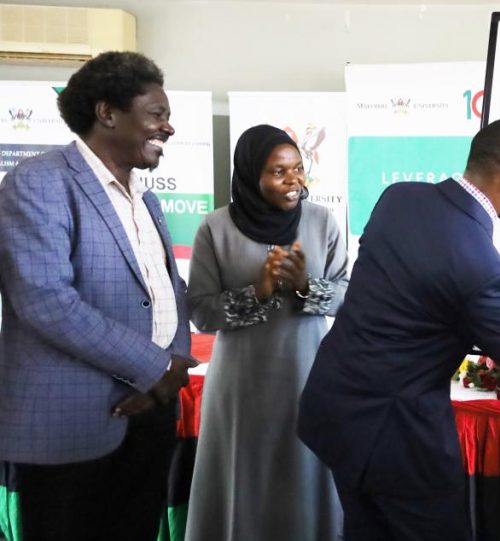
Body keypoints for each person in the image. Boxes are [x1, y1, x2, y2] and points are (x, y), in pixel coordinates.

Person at [298, 118, 500, 541]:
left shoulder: (399, 198)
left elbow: (411, 264)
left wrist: (484, 263)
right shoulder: (480, 272)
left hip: (335, 412)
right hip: (398, 441)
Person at [0, 51, 194, 540]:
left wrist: (172, 368)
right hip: (73, 427)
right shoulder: (38, 181)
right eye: (157, 115)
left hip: (150, 414)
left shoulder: (145, 197)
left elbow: (166, 291)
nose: (168, 128)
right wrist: (156, 367)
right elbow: (46, 301)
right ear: (107, 113)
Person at [184, 125, 348, 541]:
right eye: (279, 172)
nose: (294, 181)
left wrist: (308, 286)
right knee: (245, 480)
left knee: (305, 477)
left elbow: (349, 296)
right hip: (241, 385)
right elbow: (201, 312)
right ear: (250, 175)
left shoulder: (322, 221)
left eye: (298, 169)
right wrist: (257, 292)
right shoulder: (215, 228)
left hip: (306, 375)